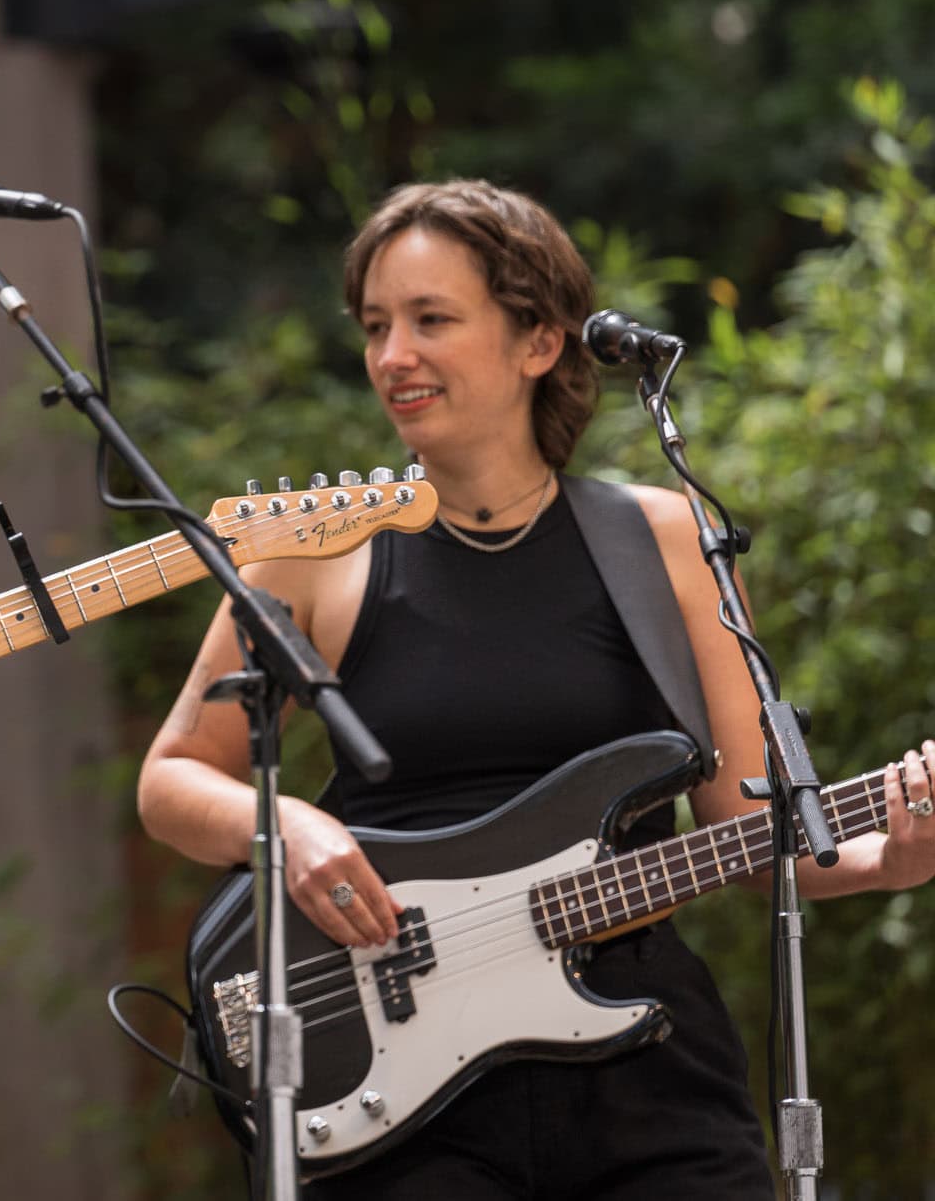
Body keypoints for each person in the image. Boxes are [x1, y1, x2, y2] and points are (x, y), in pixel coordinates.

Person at [137, 179, 935, 1198]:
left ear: (538, 342)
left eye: (430, 320)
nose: (392, 356)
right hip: (402, 1084)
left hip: (643, 1062)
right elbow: (169, 779)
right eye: (376, 325)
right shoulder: (315, 554)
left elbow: (752, 826)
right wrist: (286, 825)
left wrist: (884, 857)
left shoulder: (663, 539)